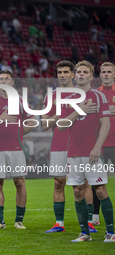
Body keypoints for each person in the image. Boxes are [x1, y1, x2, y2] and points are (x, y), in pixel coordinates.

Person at [58, 60, 115, 242]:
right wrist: (78, 110)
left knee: (100, 191)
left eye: (84, 72)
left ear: (91, 76)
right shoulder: (67, 99)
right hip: (73, 153)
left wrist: (98, 147)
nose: (81, 74)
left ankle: (111, 233)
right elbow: (60, 125)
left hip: (92, 152)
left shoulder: (99, 98)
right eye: (78, 71)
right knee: (77, 192)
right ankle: (84, 234)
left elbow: (105, 124)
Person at [42, 60, 96, 234]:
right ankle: (59, 223)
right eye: (60, 72)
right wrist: (58, 116)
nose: (63, 75)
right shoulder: (51, 96)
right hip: (58, 145)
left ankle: (89, 223)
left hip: (80, 145)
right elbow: (44, 124)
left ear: (73, 74)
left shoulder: (84, 93)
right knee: (58, 183)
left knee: (85, 184)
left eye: (66, 72)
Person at [0, 70, 36, 230]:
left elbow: (32, 123)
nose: (3, 81)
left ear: (12, 83)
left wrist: (19, 133)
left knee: (19, 182)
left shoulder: (20, 101)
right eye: (1, 79)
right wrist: (1, 119)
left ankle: (19, 220)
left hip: (16, 149)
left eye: (7, 79)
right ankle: (0, 222)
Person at [92, 62, 115, 226]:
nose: (106, 74)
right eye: (104, 72)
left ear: (114, 74)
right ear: (100, 75)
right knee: (96, 181)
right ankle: (94, 216)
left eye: (109, 72)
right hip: (99, 145)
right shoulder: (95, 94)